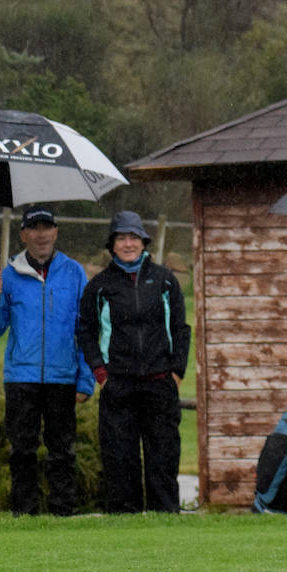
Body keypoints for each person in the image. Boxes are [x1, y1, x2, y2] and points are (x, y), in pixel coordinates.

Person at [76, 211, 191, 513]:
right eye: (121, 238)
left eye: (133, 238)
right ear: (112, 245)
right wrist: (101, 374)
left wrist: (176, 372)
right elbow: (85, 331)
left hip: (160, 385)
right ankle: (123, 528)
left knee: (163, 459)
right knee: (120, 462)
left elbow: (181, 328)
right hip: (119, 387)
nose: (128, 244)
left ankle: (165, 523)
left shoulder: (165, 281)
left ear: (143, 242)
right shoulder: (99, 286)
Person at [0, 206, 95, 516]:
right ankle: (25, 513)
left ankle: (63, 513)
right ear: (23, 235)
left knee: (62, 451)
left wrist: (85, 378)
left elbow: (85, 329)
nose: (41, 233)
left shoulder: (74, 272)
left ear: (56, 231)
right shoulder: (8, 274)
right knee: (22, 450)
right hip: (21, 377)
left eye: (47, 227)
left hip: (63, 377)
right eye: (34, 227)